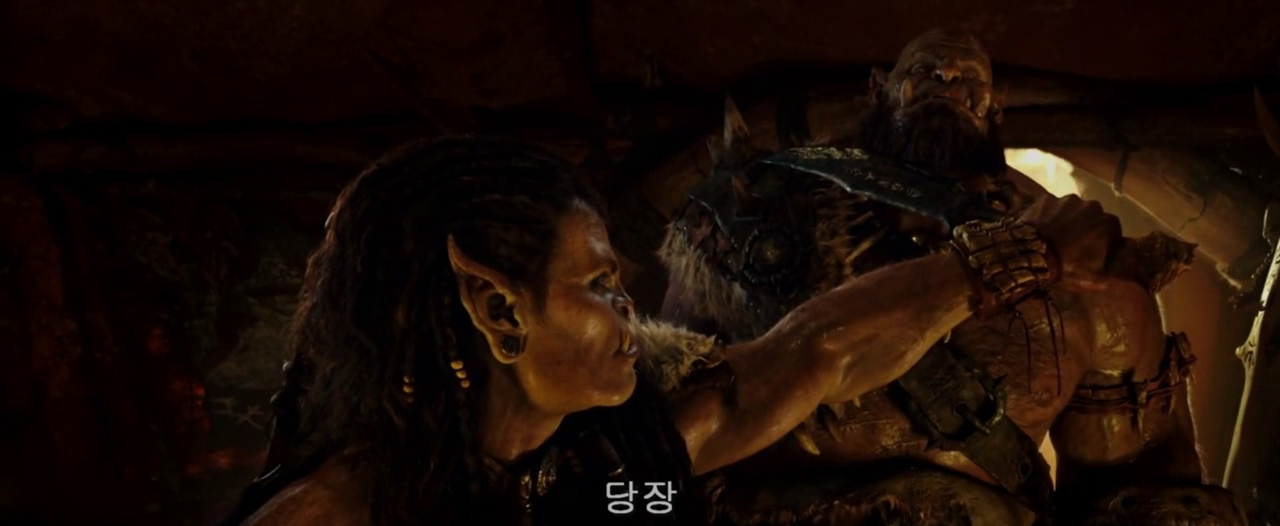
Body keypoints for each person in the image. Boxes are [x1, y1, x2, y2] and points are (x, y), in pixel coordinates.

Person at [220, 135, 1118, 526]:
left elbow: (815, 351)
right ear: (497, 310)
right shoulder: (331, 517)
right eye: (599, 285)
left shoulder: (595, 472)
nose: (627, 311)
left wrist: (1014, 257)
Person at [658, 28, 1244, 526]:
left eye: (968, 78)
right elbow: (669, 429)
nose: (946, 77)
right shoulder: (753, 213)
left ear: (995, 107)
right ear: (877, 90)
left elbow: (1132, 481)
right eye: (923, 70)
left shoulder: (1087, 265)